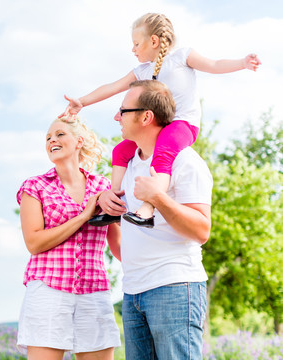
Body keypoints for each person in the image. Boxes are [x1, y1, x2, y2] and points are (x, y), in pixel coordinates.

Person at [61, 12, 260, 228]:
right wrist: (82, 101)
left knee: (163, 153)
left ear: (153, 41)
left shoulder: (182, 57)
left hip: (182, 125)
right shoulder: (142, 71)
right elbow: (112, 87)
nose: (133, 49)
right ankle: (116, 206)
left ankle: (147, 209)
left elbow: (213, 64)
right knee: (120, 151)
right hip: (155, 129)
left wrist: (242, 63)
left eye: (137, 44)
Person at [99, 79, 212, 359]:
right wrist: (108, 208)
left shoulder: (186, 161)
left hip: (174, 287)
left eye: (123, 110)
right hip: (132, 291)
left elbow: (201, 230)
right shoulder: (129, 165)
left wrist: (159, 198)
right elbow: (127, 242)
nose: (116, 117)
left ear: (146, 116)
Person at [16, 115, 121, 360]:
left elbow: (118, 246)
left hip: (94, 292)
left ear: (79, 142)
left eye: (60, 134)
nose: (52, 140)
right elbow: (34, 243)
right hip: (48, 291)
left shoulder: (103, 187)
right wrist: (84, 215)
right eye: (48, 138)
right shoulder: (35, 187)